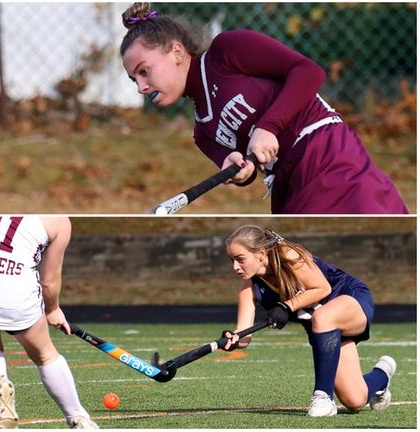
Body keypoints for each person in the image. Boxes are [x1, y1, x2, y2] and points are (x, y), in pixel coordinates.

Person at [119, 2, 408, 214]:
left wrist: (268, 126)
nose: (141, 87)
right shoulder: (203, 133)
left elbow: (308, 71)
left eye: (145, 71)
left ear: (177, 52)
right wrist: (240, 172)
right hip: (285, 182)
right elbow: (245, 172)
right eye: (134, 79)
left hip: (325, 153)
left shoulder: (227, 51)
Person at [220, 224, 396, 417]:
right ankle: (382, 375)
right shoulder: (248, 289)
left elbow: (322, 289)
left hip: (349, 298)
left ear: (261, 253)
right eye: (232, 260)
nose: (235, 267)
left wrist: (285, 307)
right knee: (354, 400)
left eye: (240, 259)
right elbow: (244, 336)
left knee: (322, 317)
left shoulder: (287, 255)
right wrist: (233, 339)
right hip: (323, 329)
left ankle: (323, 398)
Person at [0, 216, 99, 429]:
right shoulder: (59, 221)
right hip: (16, 291)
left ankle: (0, 385)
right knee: (45, 355)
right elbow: (48, 281)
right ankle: (78, 418)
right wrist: (53, 309)